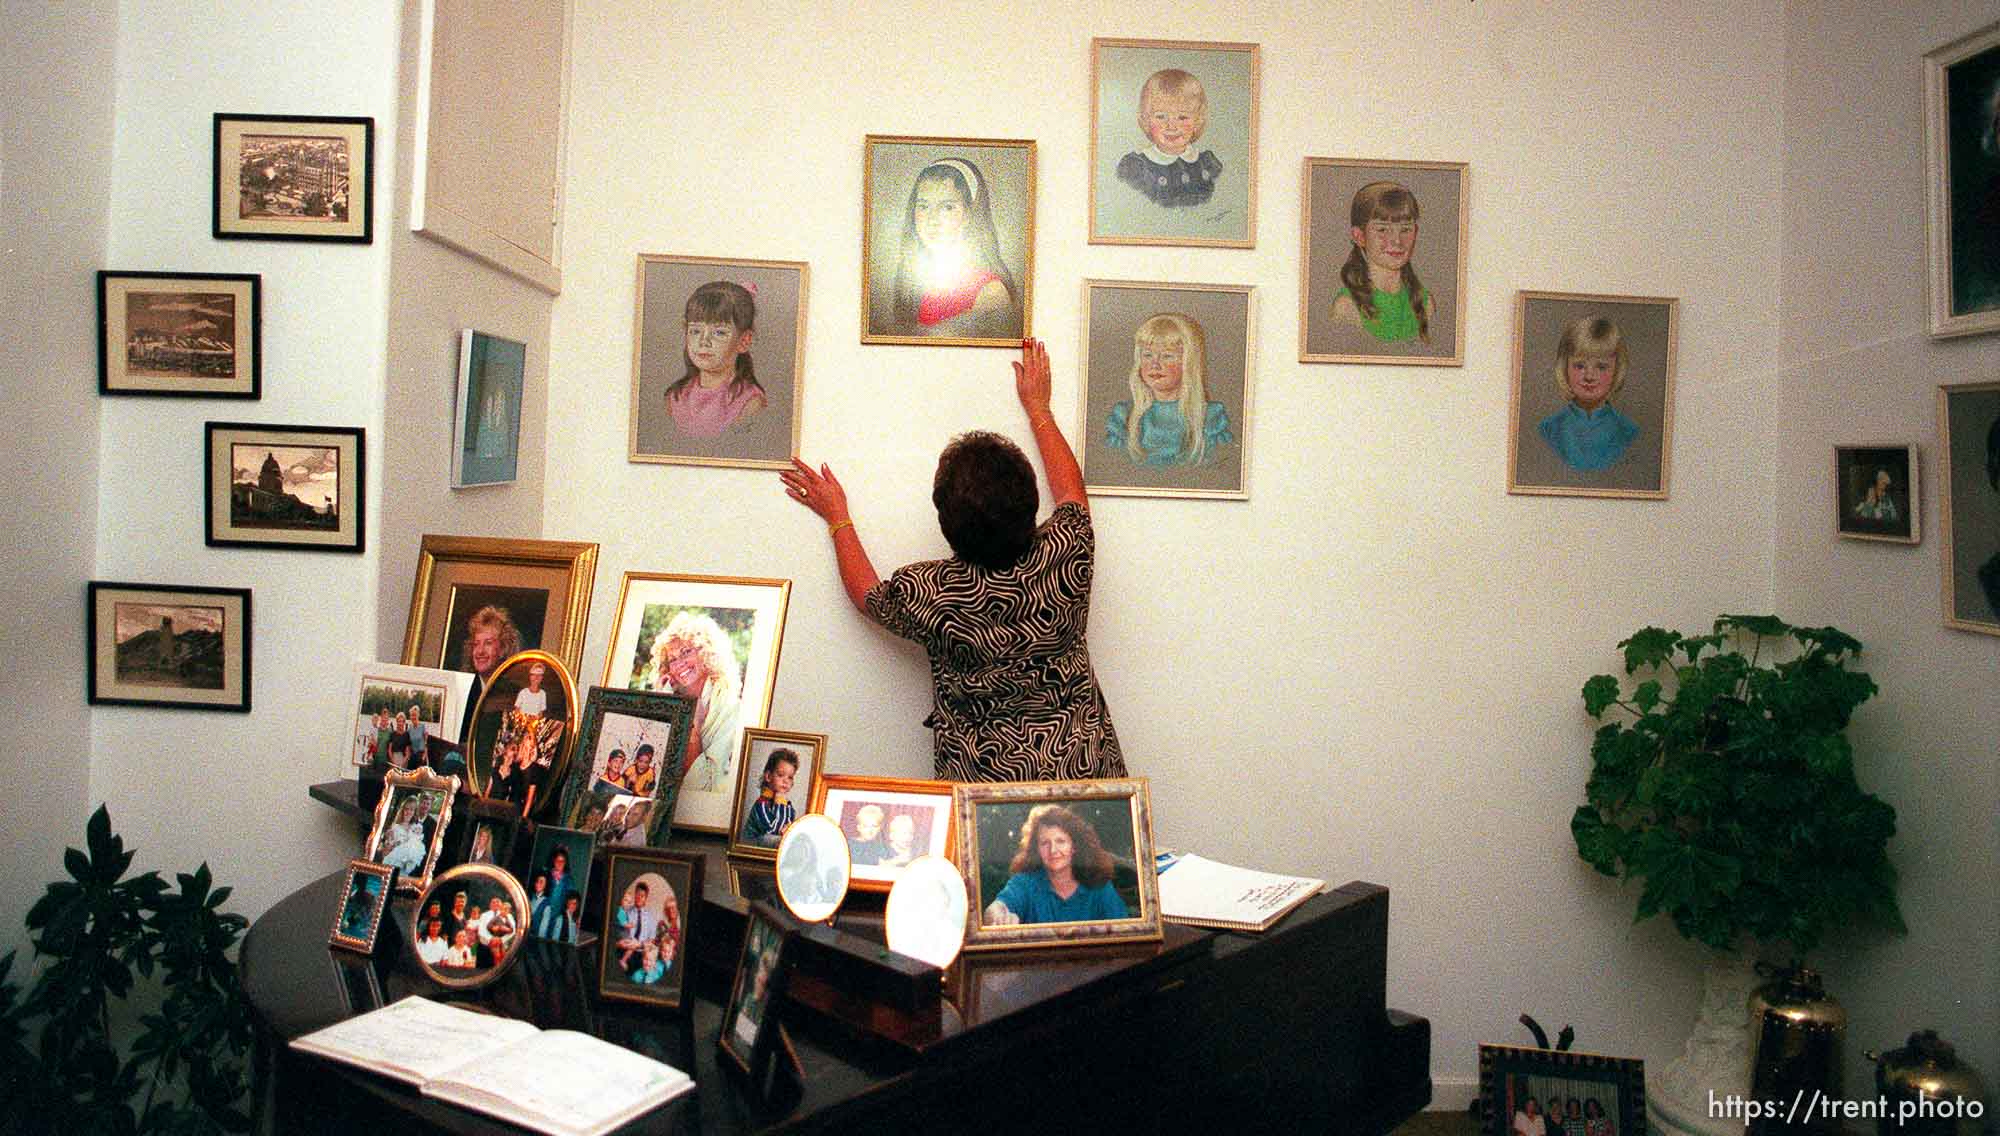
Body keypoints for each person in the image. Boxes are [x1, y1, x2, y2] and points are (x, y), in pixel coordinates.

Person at [781, 338, 1127, 781]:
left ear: (946, 523)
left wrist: (838, 517)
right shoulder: (1066, 551)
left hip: (983, 796)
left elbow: (866, 595)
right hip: (1087, 780)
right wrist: (1038, 408)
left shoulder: (927, 592)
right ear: (1029, 501)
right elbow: (1072, 493)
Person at [888, 159, 1021, 334]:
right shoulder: (911, 283)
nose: (932, 220)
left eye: (947, 207)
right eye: (923, 206)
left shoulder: (990, 292)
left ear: (968, 215)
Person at [1104, 312, 1232, 467]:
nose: (1155, 364)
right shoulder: (1124, 417)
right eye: (1148, 355)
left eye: (1167, 356)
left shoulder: (1209, 417)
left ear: (1188, 363)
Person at [983, 803, 1127, 925]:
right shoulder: (1024, 883)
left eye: (1060, 841)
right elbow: (996, 908)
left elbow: (1124, 932)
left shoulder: (1099, 885)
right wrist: (997, 915)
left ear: (1074, 846)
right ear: (1036, 849)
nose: (1053, 850)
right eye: (1045, 843)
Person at [650, 611, 742, 793]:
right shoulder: (670, 697)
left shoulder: (730, 707)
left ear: (705, 653)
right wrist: (658, 702)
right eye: (672, 659)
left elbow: (707, 786)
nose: (679, 664)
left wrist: (694, 728)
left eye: (686, 652)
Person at [1329, 181, 1432, 345]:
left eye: (1405, 229)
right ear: (1359, 236)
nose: (1397, 241)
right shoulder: (1347, 307)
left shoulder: (1425, 304)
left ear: (1416, 233)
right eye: (1382, 230)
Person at [1536, 316, 1639, 472]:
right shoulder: (1549, 429)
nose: (1589, 376)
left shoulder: (1628, 431)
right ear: (1564, 368)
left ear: (1617, 370)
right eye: (1579, 366)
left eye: (1601, 367)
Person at [667, 281, 767, 438]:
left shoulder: (749, 403)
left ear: (744, 341)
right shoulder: (676, 396)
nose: (704, 341)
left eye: (719, 333)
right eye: (695, 331)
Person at [1116, 68, 1223, 208]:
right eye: (1161, 116)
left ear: (1197, 122)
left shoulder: (1208, 164)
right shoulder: (1137, 168)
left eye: (1182, 117)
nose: (1171, 126)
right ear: (1146, 120)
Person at [741, 748, 799, 847]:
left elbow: (787, 826)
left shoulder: (788, 806)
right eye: (780, 775)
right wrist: (779, 802)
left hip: (772, 843)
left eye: (790, 777)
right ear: (768, 776)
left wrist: (789, 828)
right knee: (780, 841)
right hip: (754, 844)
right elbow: (772, 830)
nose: (786, 781)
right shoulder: (761, 804)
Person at [461, 604, 523, 682]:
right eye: (476, 644)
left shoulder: (514, 692)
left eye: (488, 643)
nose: (480, 651)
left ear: (503, 649)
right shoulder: (461, 687)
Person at [616, 881, 659, 970]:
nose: (639, 897)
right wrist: (618, 944)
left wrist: (639, 945)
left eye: (642, 896)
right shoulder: (625, 911)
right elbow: (616, 930)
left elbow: (652, 941)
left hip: (641, 955)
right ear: (635, 894)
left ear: (646, 898)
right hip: (623, 950)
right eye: (637, 894)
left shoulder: (651, 917)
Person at [405, 703, 429, 767]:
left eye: (415, 715)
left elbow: (426, 743)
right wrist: (408, 754)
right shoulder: (409, 728)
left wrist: (424, 756)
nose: (413, 717)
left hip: (421, 755)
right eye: (412, 715)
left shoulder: (423, 727)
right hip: (412, 755)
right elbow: (408, 743)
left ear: (418, 715)